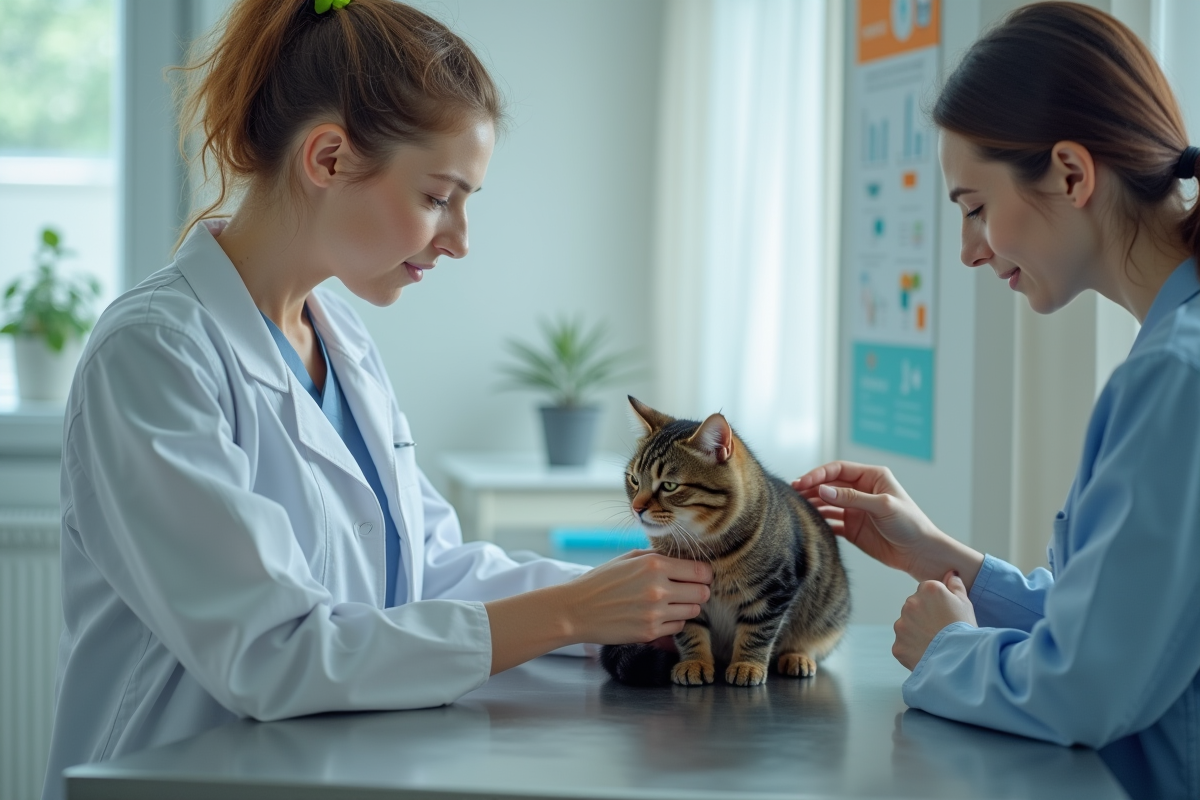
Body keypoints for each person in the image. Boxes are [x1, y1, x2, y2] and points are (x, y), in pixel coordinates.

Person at [41, 2, 712, 798]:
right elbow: (272, 652)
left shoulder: (343, 340)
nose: (460, 238)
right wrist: (571, 616)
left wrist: (631, 607)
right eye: (439, 197)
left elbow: (426, 572)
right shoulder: (155, 354)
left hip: (333, 767)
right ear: (327, 157)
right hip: (179, 773)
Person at [794, 4, 1200, 799]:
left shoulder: (1174, 380)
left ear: (1072, 174)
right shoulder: (1169, 356)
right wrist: (948, 562)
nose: (969, 250)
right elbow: (1126, 621)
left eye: (975, 208)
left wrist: (950, 648)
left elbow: (1086, 688)